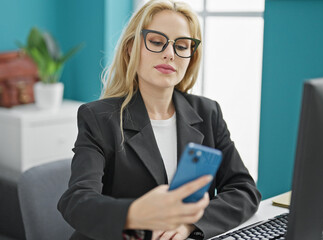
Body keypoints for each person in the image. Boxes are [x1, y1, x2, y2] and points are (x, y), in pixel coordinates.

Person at [58, 0, 261, 239]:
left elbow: (244, 189)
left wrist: (190, 225)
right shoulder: (99, 118)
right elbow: (77, 202)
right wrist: (135, 213)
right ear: (131, 48)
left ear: (191, 57)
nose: (169, 54)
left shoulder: (208, 113)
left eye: (182, 46)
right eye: (156, 41)